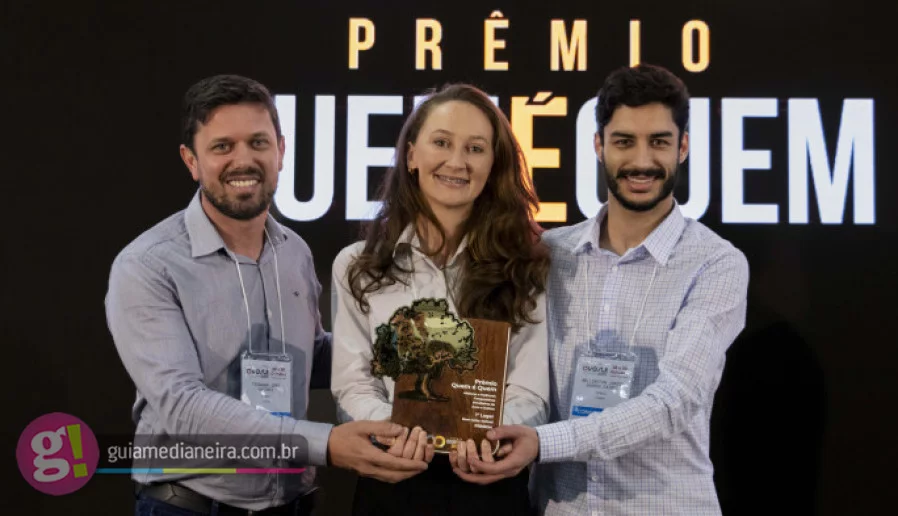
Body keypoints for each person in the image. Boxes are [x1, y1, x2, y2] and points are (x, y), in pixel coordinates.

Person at [105, 74, 428, 516]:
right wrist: (326, 443)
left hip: (290, 503)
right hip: (191, 506)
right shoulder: (147, 265)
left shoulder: (293, 251)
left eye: (258, 143)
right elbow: (182, 406)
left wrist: (406, 351)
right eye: (222, 147)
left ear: (281, 151)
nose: (243, 160)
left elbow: (310, 355)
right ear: (191, 160)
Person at [452, 64, 750, 516]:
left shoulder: (716, 264)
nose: (642, 161)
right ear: (599, 145)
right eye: (624, 141)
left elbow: (674, 402)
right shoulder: (549, 254)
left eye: (659, 142)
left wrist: (542, 443)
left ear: (683, 147)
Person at [331, 83, 551, 515]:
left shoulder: (524, 267)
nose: (457, 162)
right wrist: (401, 432)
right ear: (412, 155)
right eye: (442, 143)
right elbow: (352, 384)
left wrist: (483, 438)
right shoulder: (359, 266)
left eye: (475, 148)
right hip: (392, 480)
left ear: (493, 164)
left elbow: (530, 391)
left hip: (489, 483)